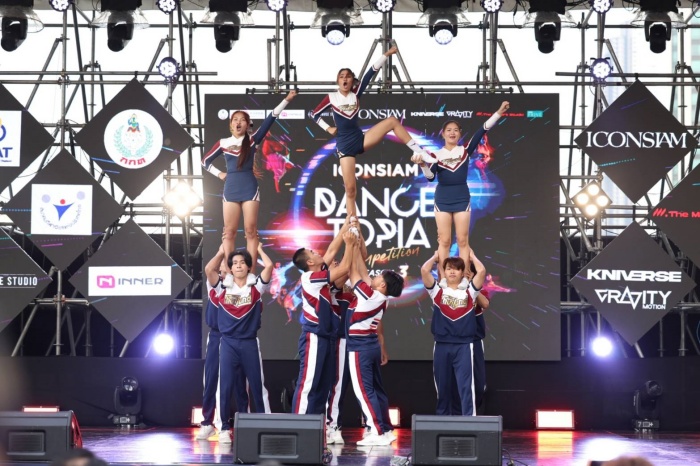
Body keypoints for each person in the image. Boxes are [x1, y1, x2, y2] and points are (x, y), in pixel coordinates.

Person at [311, 46, 436, 218]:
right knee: (350, 188)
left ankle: (422, 153)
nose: (345, 78)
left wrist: (386, 54)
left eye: (348, 76)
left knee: (392, 121)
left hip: (360, 139)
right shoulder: (331, 97)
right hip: (345, 145)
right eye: (341, 76)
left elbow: (370, 73)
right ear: (337, 81)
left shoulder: (356, 93)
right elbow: (314, 114)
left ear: (352, 80)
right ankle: (352, 221)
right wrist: (328, 128)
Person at [203, 90, 297, 287]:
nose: (238, 123)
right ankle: (230, 273)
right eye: (235, 120)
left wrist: (286, 100)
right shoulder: (223, 143)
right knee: (229, 232)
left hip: (249, 187)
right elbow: (205, 161)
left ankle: (251, 272)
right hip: (230, 188)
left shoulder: (253, 140)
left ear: (247, 125)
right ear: (231, 125)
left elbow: (271, 118)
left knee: (250, 230)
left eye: (242, 120)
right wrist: (220, 174)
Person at [413, 101, 509, 283]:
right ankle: (443, 278)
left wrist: (498, 112)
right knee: (444, 241)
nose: (452, 132)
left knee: (463, 240)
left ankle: (464, 277)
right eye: (448, 130)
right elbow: (430, 177)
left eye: (456, 130)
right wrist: (423, 164)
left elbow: (482, 130)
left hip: (462, 199)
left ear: (459, 134)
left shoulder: (465, 151)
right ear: (443, 134)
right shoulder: (435, 155)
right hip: (442, 199)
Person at [204, 243, 275, 443]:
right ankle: (225, 428)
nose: (238, 265)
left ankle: (263, 424)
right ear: (230, 267)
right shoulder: (222, 287)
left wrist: (260, 250)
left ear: (248, 267)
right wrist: (220, 252)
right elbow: (209, 269)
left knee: (256, 385)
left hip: (249, 343)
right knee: (225, 386)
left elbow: (269, 267)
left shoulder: (256, 286)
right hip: (227, 343)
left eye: (242, 262)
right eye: (234, 263)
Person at [291, 226, 356, 415]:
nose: (317, 252)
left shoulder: (321, 276)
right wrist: (349, 244)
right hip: (314, 336)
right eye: (312, 252)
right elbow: (344, 268)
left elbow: (332, 249)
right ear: (310, 262)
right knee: (309, 384)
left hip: (328, 337)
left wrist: (346, 224)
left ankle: (316, 427)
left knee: (323, 386)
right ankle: (298, 425)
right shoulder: (309, 277)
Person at [346, 240, 404, 446]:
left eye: (378, 276)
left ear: (383, 285)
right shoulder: (380, 296)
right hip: (370, 346)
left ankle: (377, 432)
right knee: (376, 390)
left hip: (359, 347)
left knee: (364, 391)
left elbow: (354, 272)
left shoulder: (370, 295)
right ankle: (385, 429)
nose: (374, 276)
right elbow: (363, 272)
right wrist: (356, 248)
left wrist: (350, 246)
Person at [420, 250, 485, 416]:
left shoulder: (470, 292)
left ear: (462, 272)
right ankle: (442, 419)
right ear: (444, 271)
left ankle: (469, 420)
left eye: (456, 269)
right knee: (442, 386)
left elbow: (482, 272)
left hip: (464, 345)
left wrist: (472, 257)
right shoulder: (437, 292)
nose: (452, 271)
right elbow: (424, 271)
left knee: (466, 386)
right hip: (442, 344)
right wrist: (435, 258)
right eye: (448, 268)